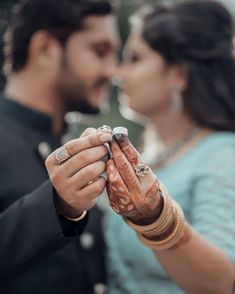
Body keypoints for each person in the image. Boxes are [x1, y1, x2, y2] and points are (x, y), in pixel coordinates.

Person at [104, 1, 235, 293]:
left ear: (177, 74)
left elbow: (222, 282)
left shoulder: (221, 155)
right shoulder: (151, 154)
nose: (119, 73)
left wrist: (156, 219)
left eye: (135, 58)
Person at [0, 0, 119, 293]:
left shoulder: (75, 140)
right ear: (45, 48)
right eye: (100, 51)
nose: (111, 71)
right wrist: (58, 205)